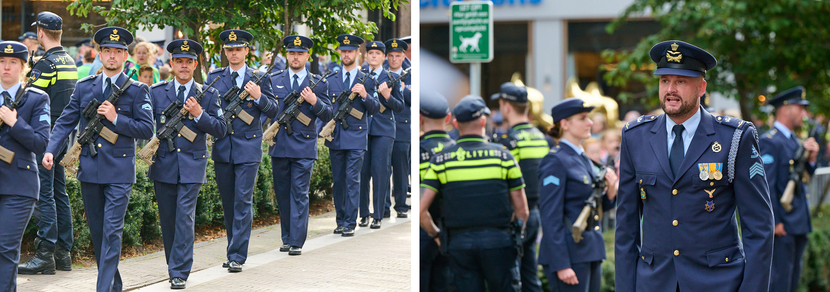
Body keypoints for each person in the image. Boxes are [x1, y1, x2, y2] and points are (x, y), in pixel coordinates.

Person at [615, 40, 774, 292]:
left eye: (681, 81)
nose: (671, 89)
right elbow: (626, 227)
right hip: (654, 282)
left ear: (701, 87)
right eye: (664, 80)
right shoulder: (635, 136)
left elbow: (759, 227)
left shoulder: (734, 137)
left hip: (717, 282)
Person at [42, 26, 154, 292]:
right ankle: (113, 286)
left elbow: (147, 129)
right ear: (100, 54)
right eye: (107, 51)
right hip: (90, 170)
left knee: (112, 232)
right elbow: (65, 122)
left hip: (119, 172)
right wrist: (50, 149)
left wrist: (117, 118)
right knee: (99, 235)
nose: (112, 56)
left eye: (117, 51)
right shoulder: (84, 87)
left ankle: (102, 288)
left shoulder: (136, 90)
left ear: (125, 56)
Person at [420, 95, 529, 292]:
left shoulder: (441, 160)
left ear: (454, 123)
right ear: (482, 121)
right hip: (499, 241)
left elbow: (421, 210)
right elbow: (522, 210)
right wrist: (514, 234)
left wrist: (436, 235)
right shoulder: (504, 156)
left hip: (459, 243)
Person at [147, 39, 227, 289]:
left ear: (195, 64)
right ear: (171, 63)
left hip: (192, 165)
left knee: (184, 217)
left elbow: (221, 128)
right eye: (179, 61)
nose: (183, 66)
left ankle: (180, 270)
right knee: (168, 219)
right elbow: (145, 125)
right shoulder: (157, 92)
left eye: (188, 62)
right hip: (163, 165)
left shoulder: (209, 94)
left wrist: (199, 114)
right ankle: (174, 266)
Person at [207, 29, 277, 272]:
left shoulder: (259, 78)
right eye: (229, 49)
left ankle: (238, 255)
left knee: (242, 201)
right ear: (225, 52)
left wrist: (259, 97)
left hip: (248, 148)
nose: (233, 53)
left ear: (247, 51)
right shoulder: (215, 78)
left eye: (238, 49)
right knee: (229, 203)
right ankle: (232, 248)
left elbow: (274, 111)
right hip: (223, 148)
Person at [19, 11, 77, 276]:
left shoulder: (46, 64)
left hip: (46, 136)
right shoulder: (69, 60)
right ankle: (63, 253)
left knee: (45, 195)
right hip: (62, 135)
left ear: (40, 32)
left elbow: (28, 99)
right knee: (59, 192)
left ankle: (45, 255)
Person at [538, 98, 617, 292]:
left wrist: (612, 191)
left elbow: (593, 208)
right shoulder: (555, 160)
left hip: (589, 250)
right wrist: (561, 263)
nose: (589, 123)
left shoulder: (582, 158)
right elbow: (550, 216)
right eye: (582, 118)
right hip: (570, 255)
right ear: (564, 124)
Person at [266, 35, 331, 255]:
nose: (296, 57)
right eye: (292, 53)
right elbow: (268, 111)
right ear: (287, 54)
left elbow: (329, 113)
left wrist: (314, 101)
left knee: (300, 193)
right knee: (283, 194)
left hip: (304, 146)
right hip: (280, 145)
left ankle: (297, 241)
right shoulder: (274, 80)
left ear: (307, 56)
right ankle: (286, 237)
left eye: (300, 53)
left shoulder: (319, 82)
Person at [0, 40, 51, 290]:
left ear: (23, 68)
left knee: (5, 246)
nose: (6, 67)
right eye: (1, 62)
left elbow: (41, 143)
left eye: (13, 63)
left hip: (18, 186)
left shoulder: (36, 99)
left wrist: (14, 123)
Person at [759, 86, 818, 292]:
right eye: (800, 108)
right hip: (782, 225)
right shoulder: (770, 141)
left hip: (798, 222)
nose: (804, 114)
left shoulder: (793, 140)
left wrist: (811, 160)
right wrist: (775, 221)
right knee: (780, 281)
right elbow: (765, 185)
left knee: (792, 280)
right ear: (786, 109)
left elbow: (804, 180)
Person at [491, 83, 548, 292]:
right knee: (530, 276)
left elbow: (505, 181)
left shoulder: (508, 140)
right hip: (535, 214)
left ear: (506, 107)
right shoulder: (541, 137)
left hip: (514, 217)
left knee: (512, 278)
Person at [325, 34, 377, 237]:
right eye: (343, 51)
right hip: (336, 136)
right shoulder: (331, 79)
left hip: (356, 136)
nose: (346, 54)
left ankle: (350, 222)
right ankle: (340, 220)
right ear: (339, 52)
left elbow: (374, 108)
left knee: (352, 179)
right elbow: (326, 108)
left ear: (358, 53)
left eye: (350, 51)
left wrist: (364, 94)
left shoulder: (366, 79)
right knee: (338, 181)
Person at [357, 41, 404, 229]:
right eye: (371, 53)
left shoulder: (391, 77)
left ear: (384, 57)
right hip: (363, 128)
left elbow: (399, 106)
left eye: (377, 53)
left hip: (384, 130)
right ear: (366, 56)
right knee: (363, 171)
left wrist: (387, 96)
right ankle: (363, 214)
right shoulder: (361, 77)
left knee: (380, 170)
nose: (374, 56)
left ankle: (378, 214)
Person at [418, 91, 454, 292]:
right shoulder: (458, 150)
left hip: (424, 232)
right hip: (451, 233)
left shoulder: (417, 150)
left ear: (420, 118)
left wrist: (433, 232)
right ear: (448, 118)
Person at [384, 38, 411, 218]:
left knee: (401, 169)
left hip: (402, 128)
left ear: (403, 57)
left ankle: (401, 206)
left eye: (397, 56)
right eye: (391, 56)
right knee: (383, 168)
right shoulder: (382, 75)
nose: (394, 59)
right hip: (384, 128)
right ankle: (384, 206)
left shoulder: (411, 76)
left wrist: (403, 90)